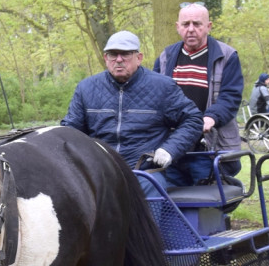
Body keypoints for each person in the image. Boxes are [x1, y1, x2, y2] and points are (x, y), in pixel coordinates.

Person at [61, 30, 204, 195]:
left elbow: (193, 119)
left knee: (150, 191)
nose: (119, 60)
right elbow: (70, 130)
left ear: (139, 58)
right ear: (105, 58)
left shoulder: (163, 87)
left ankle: (152, 222)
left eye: (125, 54)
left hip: (145, 170)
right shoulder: (86, 88)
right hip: (99, 169)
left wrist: (169, 149)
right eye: (113, 54)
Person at [154, 2, 243, 184]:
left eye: (197, 24)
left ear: (208, 26)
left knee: (207, 203)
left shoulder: (227, 56)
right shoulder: (166, 57)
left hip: (207, 148)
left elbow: (230, 98)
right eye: (186, 24)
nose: (191, 29)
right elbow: (154, 97)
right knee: (169, 201)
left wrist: (211, 118)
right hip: (171, 146)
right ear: (178, 27)